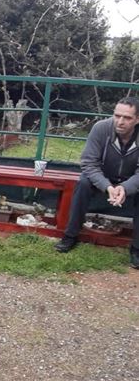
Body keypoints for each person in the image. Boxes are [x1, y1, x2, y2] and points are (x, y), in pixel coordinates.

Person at [55, 97, 139, 267]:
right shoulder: (101, 128)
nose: (120, 121)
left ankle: (137, 247)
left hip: (132, 179)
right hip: (102, 176)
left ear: (137, 119)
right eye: (117, 115)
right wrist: (107, 186)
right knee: (83, 183)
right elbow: (88, 163)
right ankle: (70, 235)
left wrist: (125, 188)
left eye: (127, 118)